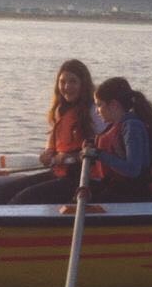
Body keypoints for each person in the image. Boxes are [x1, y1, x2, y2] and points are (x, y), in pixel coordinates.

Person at [6, 59, 100, 204]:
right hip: (60, 173)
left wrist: (73, 156)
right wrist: (47, 154)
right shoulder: (60, 111)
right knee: (2, 192)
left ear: (83, 84)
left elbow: (103, 150)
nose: (67, 87)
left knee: (20, 200)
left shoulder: (94, 111)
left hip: (82, 178)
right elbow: (52, 147)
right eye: (62, 82)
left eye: (73, 81)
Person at [87, 77, 152, 202]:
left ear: (113, 105)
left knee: (87, 203)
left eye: (99, 105)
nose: (97, 111)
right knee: (77, 192)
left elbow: (133, 169)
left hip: (135, 194)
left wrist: (99, 154)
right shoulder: (117, 125)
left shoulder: (132, 127)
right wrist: (92, 152)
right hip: (118, 187)